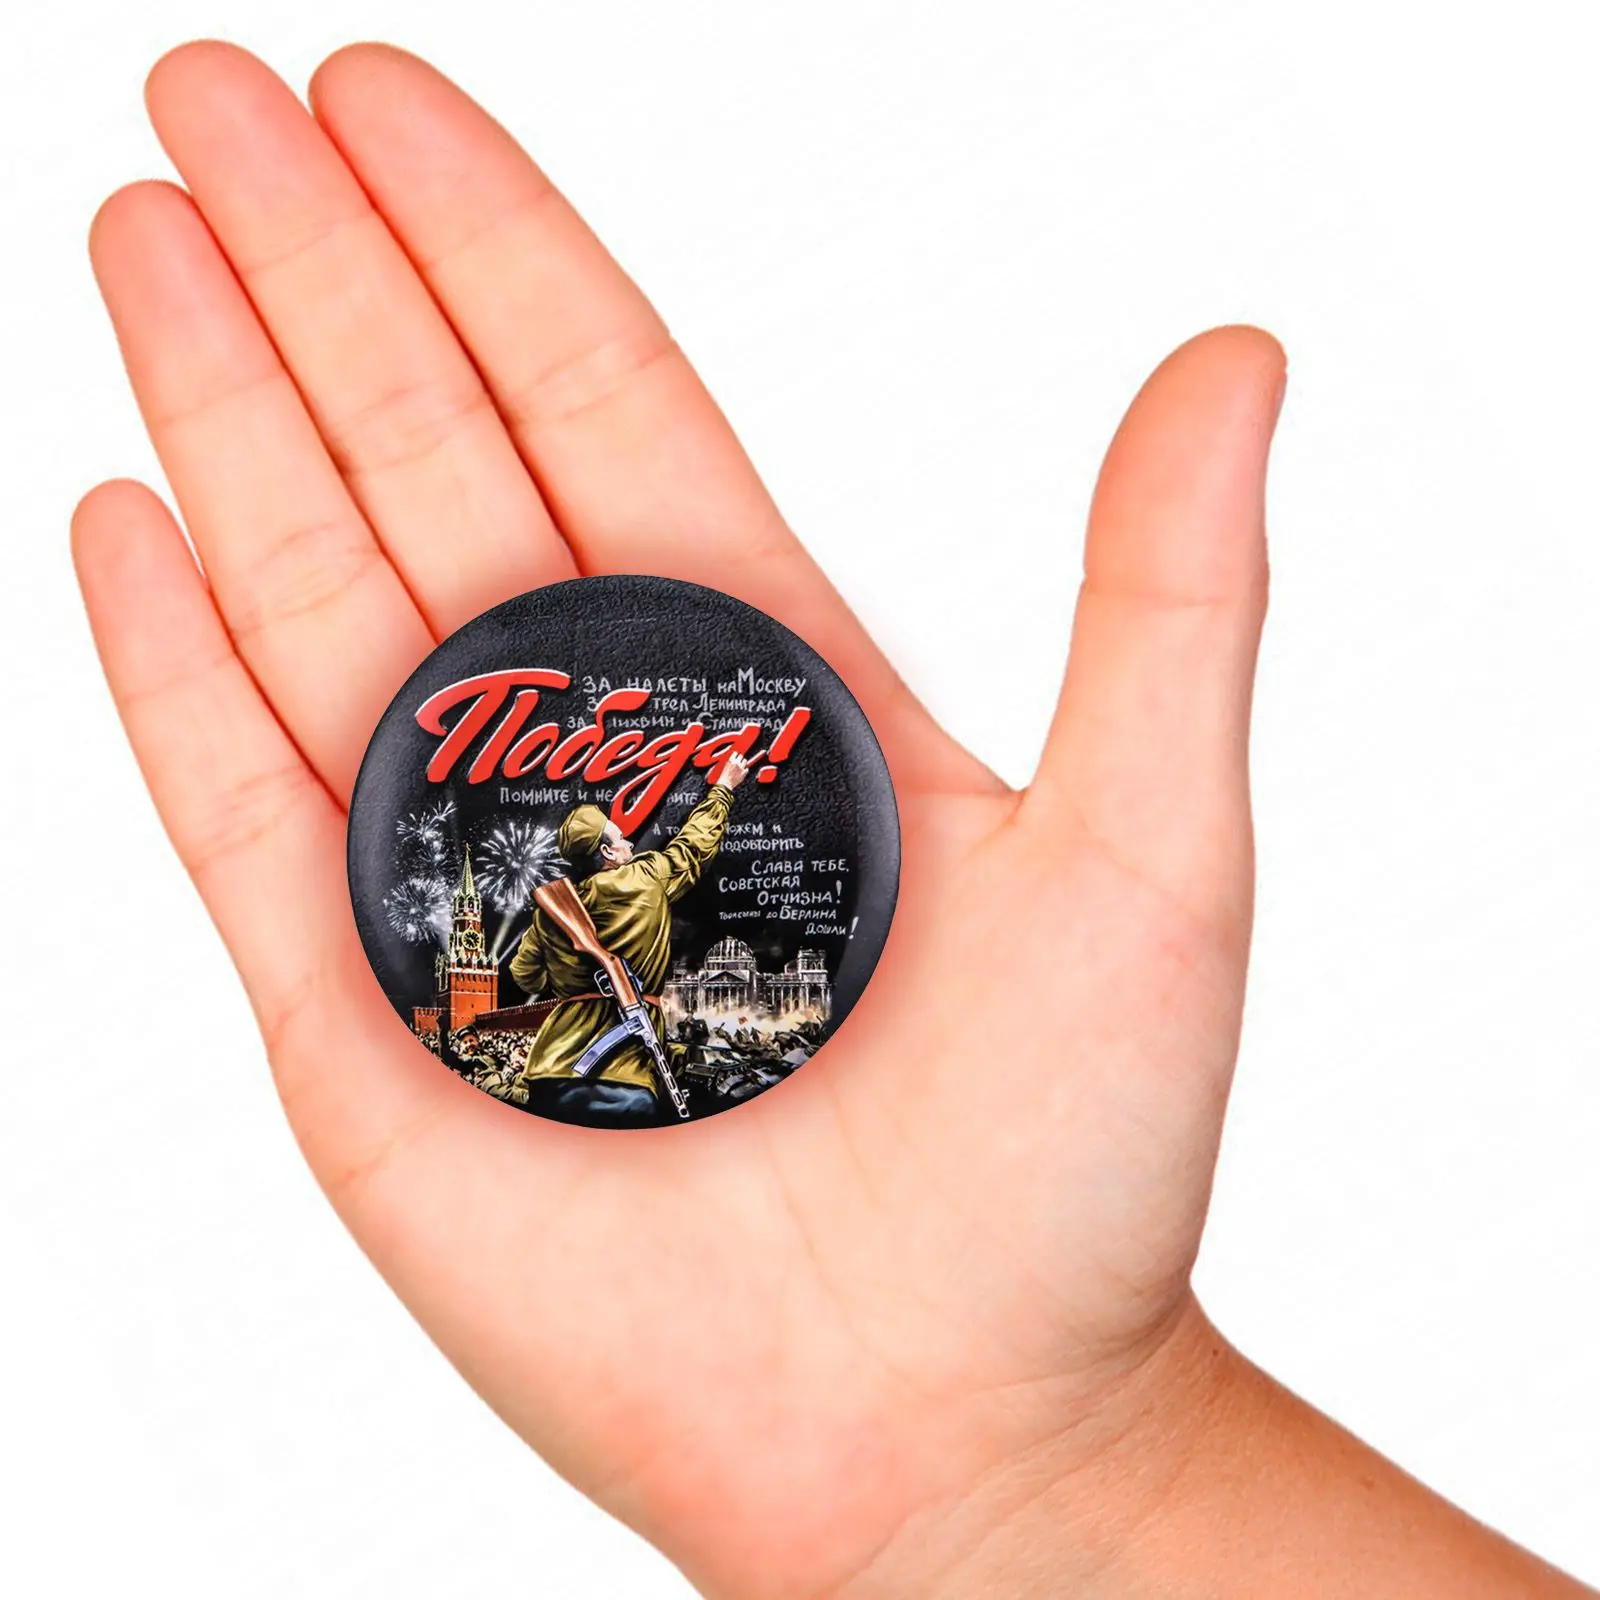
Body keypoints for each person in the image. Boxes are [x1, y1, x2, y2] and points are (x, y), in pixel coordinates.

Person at [71, 40, 1594, 1599]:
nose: (610, 832)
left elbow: (683, 837)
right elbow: (541, 938)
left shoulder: (655, 873)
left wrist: (1060, 1460)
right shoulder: (547, 911)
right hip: (567, 1032)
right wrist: (1055, 1473)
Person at [507, 762, 749, 1125]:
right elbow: (694, 847)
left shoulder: (550, 914)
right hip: (626, 1078)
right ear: (607, 852)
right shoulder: (645, 878)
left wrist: (572, 978)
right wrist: (723, 788)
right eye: (620, 838)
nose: (629, 843)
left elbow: (525, 976)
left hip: (550, 1071)